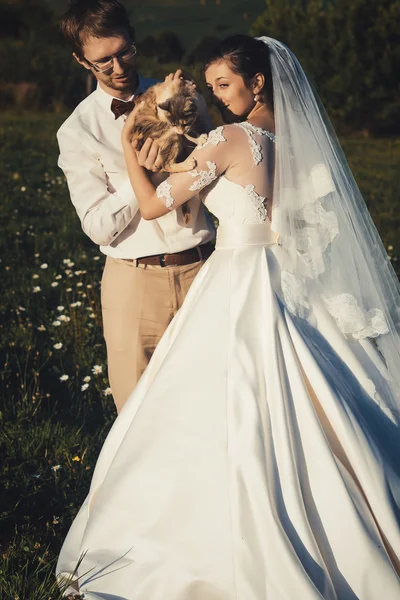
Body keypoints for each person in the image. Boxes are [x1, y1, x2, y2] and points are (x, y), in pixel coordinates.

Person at [57, 35, 400, 599]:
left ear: (257, 82)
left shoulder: (231, 139)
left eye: (223, 84)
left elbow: (149, 206)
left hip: (235, 276)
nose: (215, 95)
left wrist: (127, 144)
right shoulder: (289, 138)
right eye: (210, 86)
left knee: (216, 398)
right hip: (280, 274)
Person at [57, 0, 215, 413]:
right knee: (138, 415)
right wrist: (143, 178)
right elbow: (97, 226)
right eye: (102, 61)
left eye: (124, 51)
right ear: (81, 60)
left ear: (133, 39)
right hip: (134, 284)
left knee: (213, 404)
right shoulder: (77, 132)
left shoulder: (183, 98)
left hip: (208, 271)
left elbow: (224, 170)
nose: (117, 67)